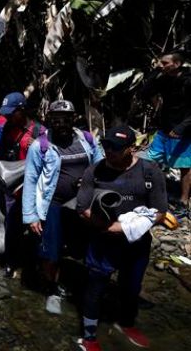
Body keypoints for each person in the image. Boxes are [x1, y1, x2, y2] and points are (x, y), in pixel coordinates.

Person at [75, 125, 167, 351]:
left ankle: (126, 323)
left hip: (136, 244)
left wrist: (127, 227)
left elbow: (160, 211)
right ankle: (88, 336)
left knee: (132, 287)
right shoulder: (94, 171)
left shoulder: (150, 171)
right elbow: (82, 207)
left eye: (116, 148)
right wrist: (108, 227)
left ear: (131, 149)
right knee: (95, 287)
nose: (109, 151)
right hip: (102, 242)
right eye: (106, 145)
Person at [22, 100, 104, 314]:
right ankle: (52, 290)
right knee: (52, 250)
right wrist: (31, 216)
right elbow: (30, 181)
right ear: (49, 119)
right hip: (53, 205)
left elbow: (101, 166)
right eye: (56, 118)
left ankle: (85, 289)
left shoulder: (87, 140)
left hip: (83, 203)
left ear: (74, 118)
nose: (61, 123)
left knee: (85, 247)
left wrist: (89, 179)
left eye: (65, 118)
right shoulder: (39, 146)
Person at [0, 91, 45, 278]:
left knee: (35, 229)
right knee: (12, 227)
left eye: (11, 112)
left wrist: (38, 147)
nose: (7, 116)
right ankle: (10, 262)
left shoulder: (40, 132)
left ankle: (34, 266)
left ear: (22, 110)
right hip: (13, 190)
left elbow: (50, 159)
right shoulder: (6, 128)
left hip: (33, 190)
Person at [143, 52, 191, 217]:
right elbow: (145, 93)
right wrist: (155, 73)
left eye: (165, 63)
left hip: (182, 131)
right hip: (164, 128)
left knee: (184, 166)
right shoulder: (164, 79)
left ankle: (183, 201)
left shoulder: (188, 81)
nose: (160, 65)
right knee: (152, 160)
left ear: (176, 64)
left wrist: (181, 128)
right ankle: (154, 194)